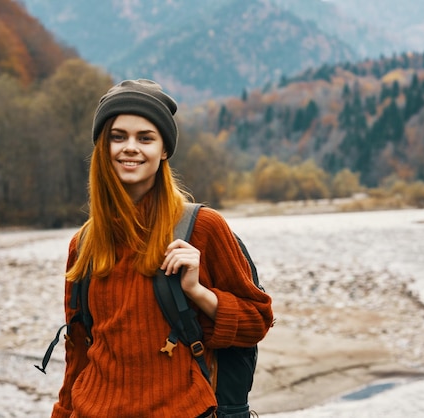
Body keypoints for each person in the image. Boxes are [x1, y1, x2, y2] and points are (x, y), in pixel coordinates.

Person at [51, 79, 274, 418]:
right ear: (103, 146)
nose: (130, 147)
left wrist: (198, 292)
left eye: (145, 138)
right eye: (118, 136)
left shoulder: (202, 227)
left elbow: (257, 322)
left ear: (164, 149)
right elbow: (78, 351)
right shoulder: (84, 244)